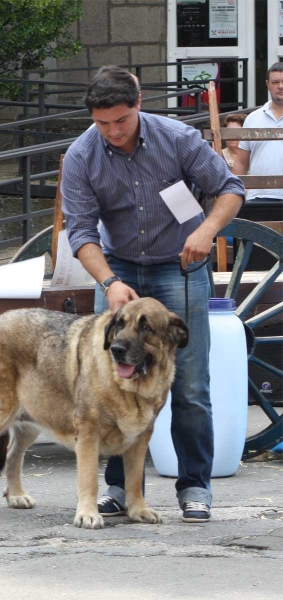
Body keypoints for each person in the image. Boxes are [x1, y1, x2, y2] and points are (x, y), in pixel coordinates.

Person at [61, 66, 244, 523]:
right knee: (111, 382)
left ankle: (195, 486)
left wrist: (205, 230)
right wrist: (108, 282)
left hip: (180, 264)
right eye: (103, 123)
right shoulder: (81, 155)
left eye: (120, 120)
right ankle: (119, 490)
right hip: (118, 267)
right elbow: (81, 231)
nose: (113, 131)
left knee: (190, 383)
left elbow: (230, 188)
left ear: (137, 106)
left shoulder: (178, 138)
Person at [233, 62, 283, 202]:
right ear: (267, 84)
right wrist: (237, 194)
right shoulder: (253, 118)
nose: (281, 86)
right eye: (275, 82)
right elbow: (241, 163)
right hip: (259, 197)